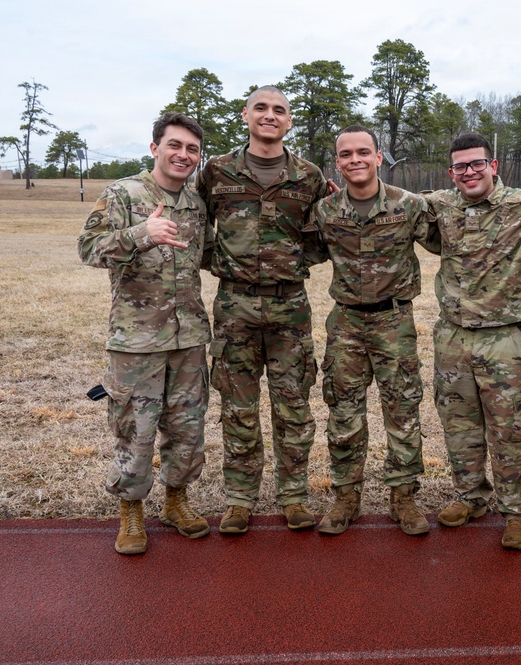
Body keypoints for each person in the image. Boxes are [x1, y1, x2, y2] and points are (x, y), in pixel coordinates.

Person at [197, 85, 330, 534]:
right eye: (261, 108)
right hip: (234, 304)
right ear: (245, 115)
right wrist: (220, 260)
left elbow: (318, 237)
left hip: (289, 305)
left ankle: (293, 496)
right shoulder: (216, 171)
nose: (269, 116)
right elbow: (197, 224)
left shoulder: (308, 176)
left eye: (279, 110)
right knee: (238, 406)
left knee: (294, 405)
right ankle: (239, 498)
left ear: (289, 120)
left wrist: (289, 264)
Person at [79, 112, 213, 555]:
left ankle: (177, 500)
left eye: (192, 149)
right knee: (135, 429)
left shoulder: (197, 203)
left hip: (189, 337)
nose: (183, 155)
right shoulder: (124, 192)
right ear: (155, 148)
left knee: (187, 428)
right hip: (136, 340)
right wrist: (142, 233)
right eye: (175, 145)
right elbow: (89, 248)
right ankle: (131, 510)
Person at [423, 133, 521, 550]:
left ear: (494, 165)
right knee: (458, 424)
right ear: (451, 173)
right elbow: (395, 205)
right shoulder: (440, 206)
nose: (469, 172)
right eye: (460, 166)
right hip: (453, 335)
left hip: (504, 338)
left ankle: (517, 511)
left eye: (477, 164)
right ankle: (471, 496)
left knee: (510, 428)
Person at [311, 125, 439, 536]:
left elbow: (450, 241)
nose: (355, 160)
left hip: (393, 322)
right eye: (346, 154)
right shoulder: (326, 211)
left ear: (379, 157)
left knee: (402, 411)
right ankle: (346, 496)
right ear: (338, 162)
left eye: (363, 152)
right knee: (344, 412)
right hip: (346, 322)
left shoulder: (410, 206)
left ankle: (404, 497)